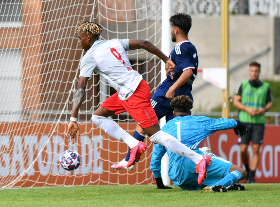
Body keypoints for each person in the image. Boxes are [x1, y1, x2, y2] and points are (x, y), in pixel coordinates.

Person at [66, 21, 211, 184]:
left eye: (80, 38)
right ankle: (134, 144)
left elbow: (80, 88)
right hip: (127, 92)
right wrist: (165, 59)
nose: (79, 42)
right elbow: (144, 43)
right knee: (98, 117)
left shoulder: (89, 57)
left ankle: (199, 159)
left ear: (88, 37)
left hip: (133, 92)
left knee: (156, 136)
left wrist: (73, 119)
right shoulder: (114, 42)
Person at [111, 13, 198, 171]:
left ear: (176, 29)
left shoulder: (180, 47)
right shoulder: (191, 47)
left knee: (143, 121)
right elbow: (183, 70)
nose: (170, 31)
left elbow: (188, 71)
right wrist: (170, 68)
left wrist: (171, 88)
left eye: (171, 28)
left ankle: (129, 158)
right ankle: (197, 163)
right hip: (184, 96)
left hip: (167, 94)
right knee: (177, 136)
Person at [150, 95, 248, 192]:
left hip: (177, 176)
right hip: (195, 164)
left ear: (174, 113)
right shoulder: (198, 121)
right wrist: (237, 123)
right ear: (190, 112)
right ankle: (218, 186)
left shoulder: (165, 128)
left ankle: (216, 183)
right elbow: (219, 123)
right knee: (241, 172)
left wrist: (160, 184)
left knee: (202, 153)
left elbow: (155, 160)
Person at [233, 61, 273, 183]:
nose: (254, 73)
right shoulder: (243, 85)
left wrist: (264, 109)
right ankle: (247, 170)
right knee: (243, 150)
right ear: (249, 71)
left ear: (259, 72)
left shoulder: (266, 86)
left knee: (256, 149)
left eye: (256, 71)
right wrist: (247, 109)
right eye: (252, 71)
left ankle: (251, 177)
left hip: (259, 122)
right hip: (244, 122)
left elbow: (270, 103)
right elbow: (236, 102)